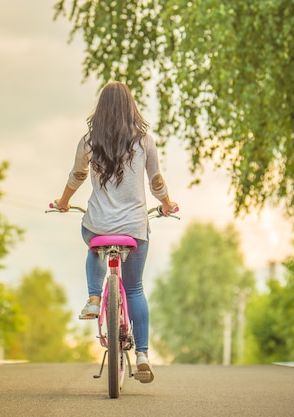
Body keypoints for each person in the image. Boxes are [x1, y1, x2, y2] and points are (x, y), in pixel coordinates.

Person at [54, 81, 177, 383]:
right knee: (134, 289)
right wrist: (167, 204)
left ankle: (94, 297)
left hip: (98, 225)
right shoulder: (144, 141)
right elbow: (156, 181)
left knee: (92, 245)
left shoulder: (88, 142)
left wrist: (63, 202)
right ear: (130, 107)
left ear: (101, 108)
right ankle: (144, 355)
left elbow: (78, 175)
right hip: (134, 229)